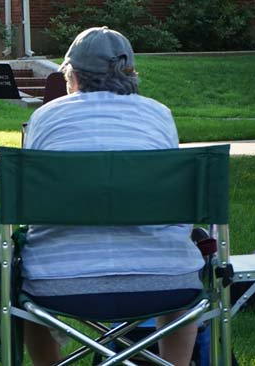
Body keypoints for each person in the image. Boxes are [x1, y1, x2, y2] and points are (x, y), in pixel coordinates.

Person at [21, 27, 204, 366]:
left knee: (18, 278)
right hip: (165, 282)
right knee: (176, 258)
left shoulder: (45, 117)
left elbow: (30, 207)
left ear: (72, 75)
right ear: (129, 71)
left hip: (57, 282)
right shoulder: (158, 115)